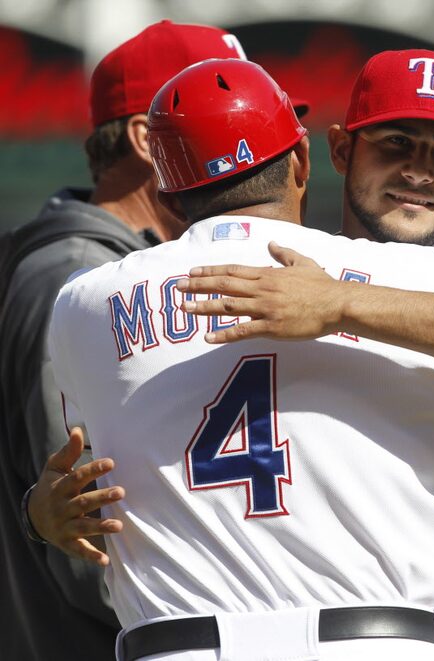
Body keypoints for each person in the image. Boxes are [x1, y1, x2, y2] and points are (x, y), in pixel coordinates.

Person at [45, 58, 434, 661]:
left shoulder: (85, 301)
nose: (418, 172)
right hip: (376, 637)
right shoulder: (429, 277)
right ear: (319, 156)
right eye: (397, 144)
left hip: (179, 643)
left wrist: (345, 302)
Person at [0, 19, 248, 660]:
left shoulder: (110, 266)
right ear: (146, 138)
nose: (248, 150)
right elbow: (88, 541)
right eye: (222, 124)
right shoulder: (74, 277)